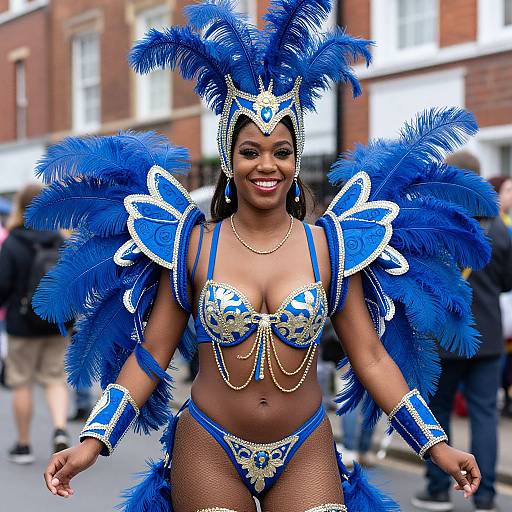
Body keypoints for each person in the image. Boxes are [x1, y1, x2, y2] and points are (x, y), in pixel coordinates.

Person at [27, 1, 497, 510]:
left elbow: (373, 357)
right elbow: (150, 354)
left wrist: (436, 444)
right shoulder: (193, 245)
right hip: (209, 447)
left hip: (305, 447)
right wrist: (93, 442)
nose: (266, 165)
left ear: (296, 160)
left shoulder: (330, 248)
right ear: (229, 159)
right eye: (251, 151)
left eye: (281, 152)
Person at [413, 152, 512, 512]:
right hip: (488, 336)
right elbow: (507, 283)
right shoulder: (499, 226)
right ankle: (485, 497)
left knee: (437, 412)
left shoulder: (436, 223)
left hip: (444, 337)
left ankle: (438, 489)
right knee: (485, 413)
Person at [0, 183, 70, 464]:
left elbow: (2, 286)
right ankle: (60, 429)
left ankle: (24, 444)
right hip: (57, 322)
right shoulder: (60, 240)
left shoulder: (13, 242)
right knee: (55, 380)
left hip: (22, 324)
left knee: (22, 383)